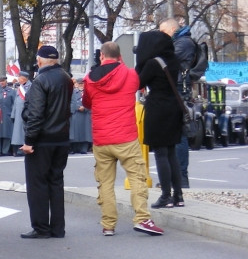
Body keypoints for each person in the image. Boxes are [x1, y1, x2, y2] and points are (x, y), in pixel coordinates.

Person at [82, 41, 163, 236]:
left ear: (101, 56)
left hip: (102, 139)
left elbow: (87, 102)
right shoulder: (130, 74)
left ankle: (108, 224)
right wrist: (122, 64)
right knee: (136, 177)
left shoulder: (90, 78)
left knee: (106, 182)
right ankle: (142, 219)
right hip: (125, 137)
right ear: (120, 56)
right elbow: (135, 84)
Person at [19, 45, 73, 239]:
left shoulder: (40, 81)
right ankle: (58, 228)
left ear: (40, 60)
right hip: (62, 138)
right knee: (56, 183)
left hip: (42, 140)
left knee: (37, 184)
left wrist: (29, 141)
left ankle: (41, 227)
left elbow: (35, 114)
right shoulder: (66, 78)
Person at [136, 28, 185, 209]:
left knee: (160, 153)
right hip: (174, 107)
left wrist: (139, 64)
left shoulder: (152, 63)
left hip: (157, 107)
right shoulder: (173, 60)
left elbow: (138, 83)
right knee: (171, 152)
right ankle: (178, 195)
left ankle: (165, 195)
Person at [159, 18, 197, 189]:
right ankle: (173, 178)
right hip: (175, 90)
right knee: (171, 135)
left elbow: (167, 59)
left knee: (180, 135)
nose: (161, 35)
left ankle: (181, 178)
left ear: (173, 29)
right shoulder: (180, 42)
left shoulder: (184, 43)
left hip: (180, 92)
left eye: (163, 31)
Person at [69, 77, 92, 154]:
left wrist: (85, 108)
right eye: (79, 83)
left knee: (85, 132)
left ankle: (84, 148)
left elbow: (92, 102)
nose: (81, 85)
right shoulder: (73, 92)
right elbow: (70, 102)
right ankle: (74, 148)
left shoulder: (88, 92)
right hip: (76, 114)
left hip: (86, 115)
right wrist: (76, 108)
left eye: (82, 83)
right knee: (75, 132)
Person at [9, 71, 30, 155]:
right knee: (18, 132)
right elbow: (16, 102)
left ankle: (23, 148)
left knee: (24, 131)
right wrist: (13, 114)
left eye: (19, 77)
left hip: (26, 113)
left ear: (23, 78)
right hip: (18, 113)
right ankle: (17, 149)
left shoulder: (30, 86)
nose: (18, 79)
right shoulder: (20, 88)